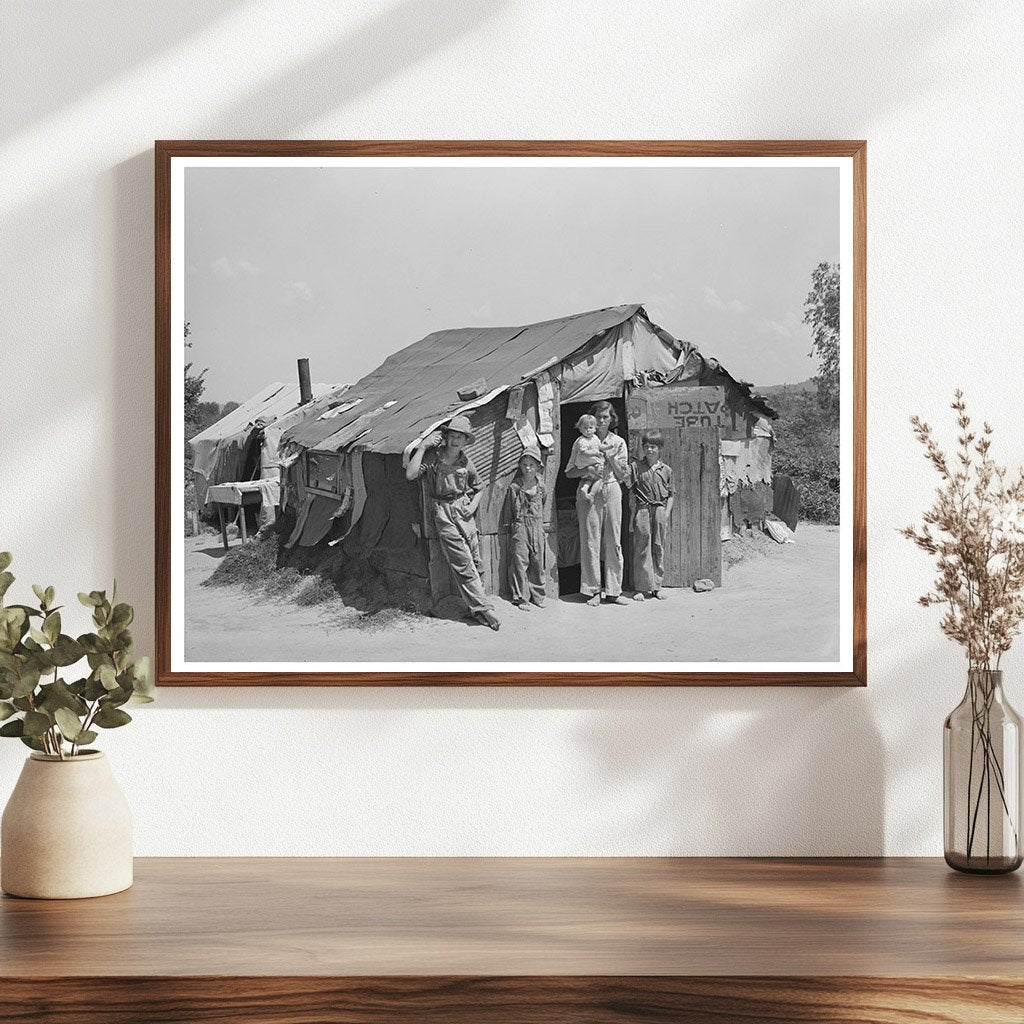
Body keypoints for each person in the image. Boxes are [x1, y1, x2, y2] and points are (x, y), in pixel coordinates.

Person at [405, 415, 500, 631]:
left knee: (475, 560)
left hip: (464, 512)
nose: (456, 441)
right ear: (446, 437)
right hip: (442, 513)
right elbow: (410, 474)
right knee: (461, 562)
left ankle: (476, 609)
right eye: (453, 436)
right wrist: (422, 447)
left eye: (461, 437)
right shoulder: (433, 457)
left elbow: (480, 487)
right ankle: (485, 609)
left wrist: (473, 506)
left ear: (466, 441)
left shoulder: (465, 462)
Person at [564, 400, 629, 606]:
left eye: (605, 417)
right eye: (598, 417)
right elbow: (569, 472)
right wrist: (587, 470)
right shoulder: (581, 442)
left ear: (612, 419)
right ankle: (592, 590)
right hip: (588, 490)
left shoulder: (618, 442)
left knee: (614, 540)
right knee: (590, 540)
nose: (601, 421)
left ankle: (613, 590)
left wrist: (610, 456)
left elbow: (622, 475)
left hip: (611, 488)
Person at [627, 430, 674, 601]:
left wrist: (666, 513)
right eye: (646, 446)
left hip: (659, 510)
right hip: (642, 509)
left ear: (660, 448)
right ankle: (641, 588)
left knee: (658, 547)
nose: (649, 450)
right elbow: (629, 489)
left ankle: (657, 587)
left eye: (653, 447)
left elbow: (671, 495)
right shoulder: (636, 467)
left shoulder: (666, 470)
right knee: (642, 548)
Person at [503, 445, 547, 611]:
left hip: (537, 526)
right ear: (520, 466)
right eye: (524, 465)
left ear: (538, 466)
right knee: (520, 561)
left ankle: (538, 596)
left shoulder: (541, 487)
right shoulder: (515, 486)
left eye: (531, 465)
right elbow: (509, 508)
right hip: (520, 526)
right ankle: (521, 597)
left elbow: (543, 502)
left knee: (538, 561)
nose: (528, 468)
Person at [568, 414, 614, 497]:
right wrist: (595, 453)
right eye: (585, 428)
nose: (588, 430)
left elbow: (600, 446)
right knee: (599, 478)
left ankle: (585, 489)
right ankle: (592, 494)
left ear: (595, 428)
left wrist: (608, 447)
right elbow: (584, 452)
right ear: (580, 429)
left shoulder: (594, 438)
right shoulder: (581, 441)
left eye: (590, 428)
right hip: (586, 464)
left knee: (589, 479)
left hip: (592, 464)